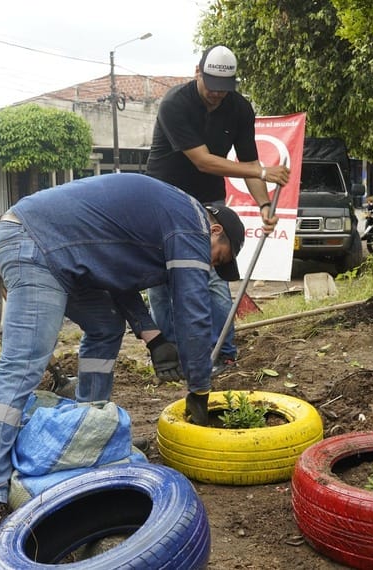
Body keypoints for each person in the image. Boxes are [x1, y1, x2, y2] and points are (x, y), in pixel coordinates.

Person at [0, 173, 250, 552]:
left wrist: (153, 336)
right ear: (214, 231)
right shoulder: (188, 225)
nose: (209, 266)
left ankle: (89, 431)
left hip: (62, 251)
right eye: (219, 258)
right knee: (23, 364)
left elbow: (114, 274)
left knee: (105, 326)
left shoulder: (169, 216)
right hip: (36, 243)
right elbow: (192, 312)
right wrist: (199, 387)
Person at [146, 45, 290, 376]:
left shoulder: (239, 109)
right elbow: (204, 161)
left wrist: (265, 204)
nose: (216, 95)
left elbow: (249, 161)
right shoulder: (175, 104)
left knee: (214, 274)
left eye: (224, 89)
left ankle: (224, 353)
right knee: (161, 278)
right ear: (198, 72)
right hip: (164, 198)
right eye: (211, 86)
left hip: (210, 202)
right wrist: (262, 173)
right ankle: (170, 356)